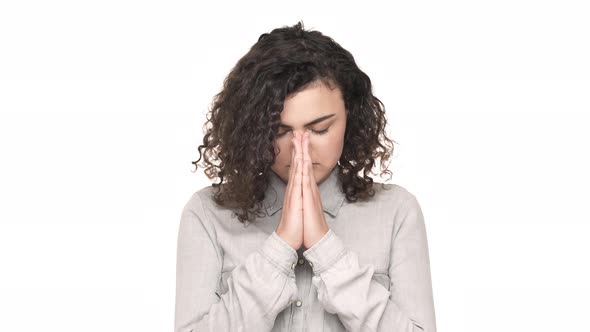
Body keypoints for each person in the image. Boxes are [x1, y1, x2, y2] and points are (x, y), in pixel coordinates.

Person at [175, 21, 436, 332]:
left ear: (350, 118)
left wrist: (325, 248)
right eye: (280, 132)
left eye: (320, 129)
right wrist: (281, 246)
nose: (301, 150)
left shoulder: (397, 212)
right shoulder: (207, 214)